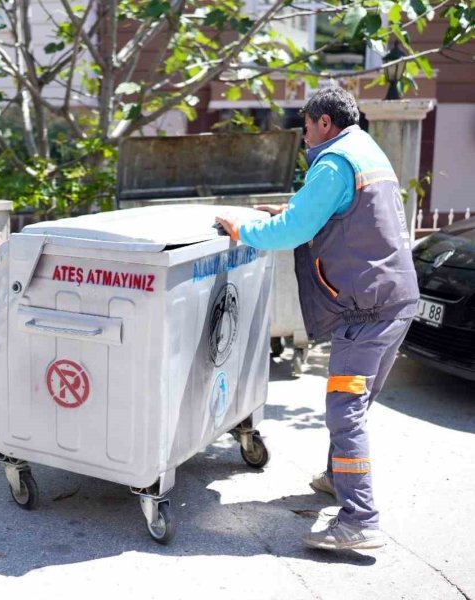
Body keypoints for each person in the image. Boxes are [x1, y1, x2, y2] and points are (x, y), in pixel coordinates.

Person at [216, 87, 419, 551]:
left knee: (345, 410)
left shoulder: (332, 162)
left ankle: (360, 520)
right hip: (396, 300)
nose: (304, 134)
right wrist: (289, 209)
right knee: (357, 403)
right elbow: (334, 211)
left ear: (324, 122)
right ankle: (337, 478)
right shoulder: (365, 151)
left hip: (367, 310)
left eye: (306, 124)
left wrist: (241, 229)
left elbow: (295, 230)